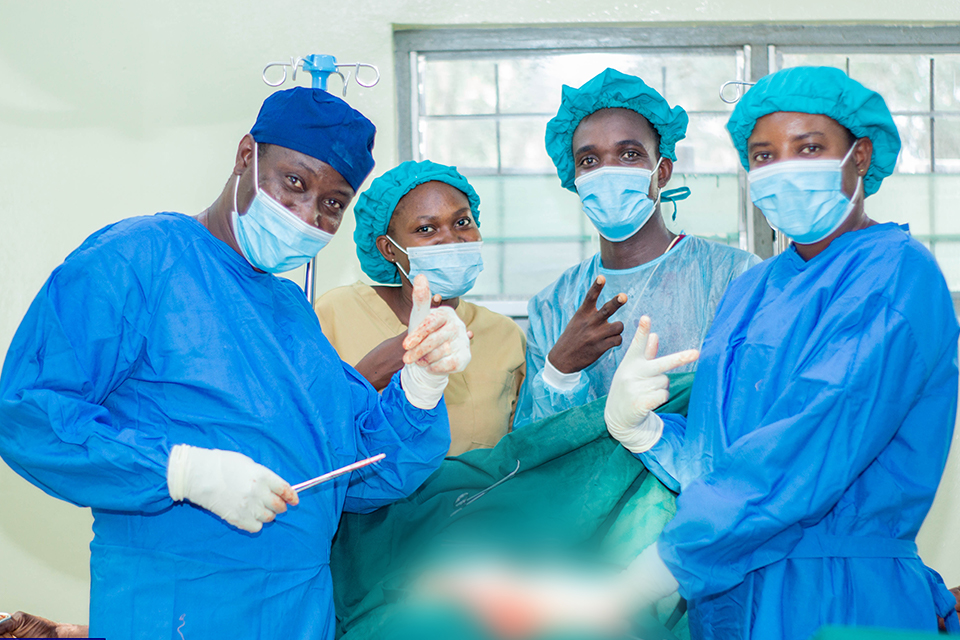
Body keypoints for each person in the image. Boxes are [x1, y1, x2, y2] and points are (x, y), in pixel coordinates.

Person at [0, 87, 472, 640]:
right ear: (246, 155)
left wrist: (421, 384)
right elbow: (29, 413)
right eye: (295, 182)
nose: (308, 214)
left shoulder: (289, 311)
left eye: (332, 203)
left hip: (299, 611)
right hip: (177, 608)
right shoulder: (140, 257)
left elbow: (362, 473)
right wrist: (181, 472)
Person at [602, 66, 960, 638]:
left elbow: (802, 453)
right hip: (730, 595)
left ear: (860, 156)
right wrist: (647, 431)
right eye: (764, 156)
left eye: (809, 147)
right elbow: (723, 466)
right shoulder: (751, 289)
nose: (784, 168)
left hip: (839, 597)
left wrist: (629, 587)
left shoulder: (896, 274)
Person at [513, 68, 760, 428]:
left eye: (629, 155)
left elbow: (753, 410)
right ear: (576, 180)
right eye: (589, 161)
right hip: (590, 485)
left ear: (661, 172)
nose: (608, 171)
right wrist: (560, 371)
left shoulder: (731, 276)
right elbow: (535, 446)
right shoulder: (554, 305)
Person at [315, 160, 526, 455]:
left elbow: (522, 445)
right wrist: (365, 377)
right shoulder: (335, 314)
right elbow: (306, 429)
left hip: (480, 500)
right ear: (389, 249)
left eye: (462, 222)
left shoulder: (504, 335)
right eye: (426, 228)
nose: (450, 239)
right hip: (372, 500)